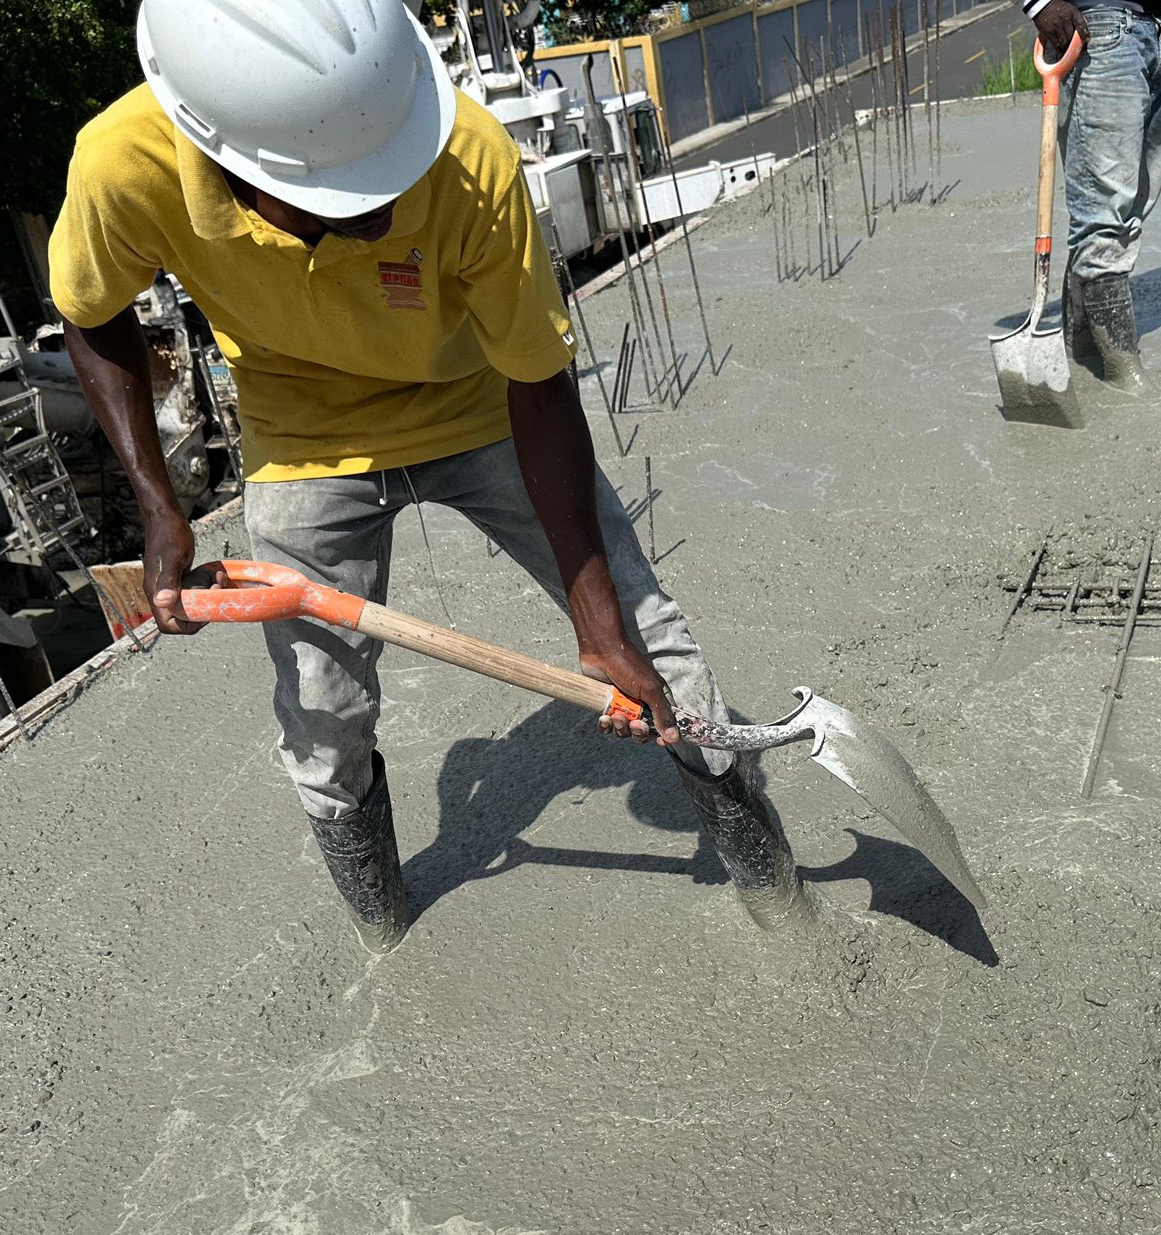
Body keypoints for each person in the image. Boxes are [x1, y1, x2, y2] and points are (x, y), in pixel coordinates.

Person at [48, 0, 806, 953]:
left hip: (485, 408)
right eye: (344, 198)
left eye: (387, 176)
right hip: (304, 435)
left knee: (653, 641)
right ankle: (387, 942)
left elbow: (539, 383)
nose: (384, 209)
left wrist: (598, 624)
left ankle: (782, 903)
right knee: (323, 720)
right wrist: (159, 505)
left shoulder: (468, 156)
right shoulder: (123, 163)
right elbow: (91, 311)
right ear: (235, 166)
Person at [1025, 0, 1161, 390]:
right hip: (1099, 30)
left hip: (1160, 28)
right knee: (1104, 214)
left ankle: (1081, 351)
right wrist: (1037, 4)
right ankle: (1123, 376)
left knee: (1129, 207)